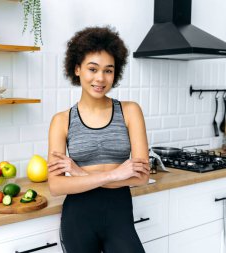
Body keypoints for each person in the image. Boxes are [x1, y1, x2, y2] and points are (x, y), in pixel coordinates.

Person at [47, 26, 150, 253]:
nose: (100, 78)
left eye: (108, 70)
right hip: (78, 219)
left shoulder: (130, 111)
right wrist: (116, 173)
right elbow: (56, 185)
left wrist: (80, 173)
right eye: (92, 69)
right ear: (77, 69)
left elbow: (142, 177)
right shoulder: (61, 121)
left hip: (119, 215)